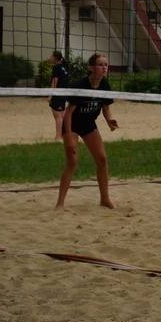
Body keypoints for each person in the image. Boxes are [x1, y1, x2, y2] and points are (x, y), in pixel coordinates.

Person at [56, 52, 120, 208]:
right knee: (72, 161)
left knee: (102, 160)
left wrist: (110, 121)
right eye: (100, 64)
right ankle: (60, 203)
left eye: (106, 64)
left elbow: (106, 108)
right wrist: (69, 136)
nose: (104, 67)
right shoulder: (80, 85)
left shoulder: (104, 84)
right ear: (91, 67)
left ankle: (104, 199)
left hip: (88, 124)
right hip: (72, 124)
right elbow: (68, 113)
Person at [43, 50, 71, 142]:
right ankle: (63, 136)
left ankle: (58, 137)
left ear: (55, 58)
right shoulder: (64, 67)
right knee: (61, 116)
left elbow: (55, 82)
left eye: (51, 56)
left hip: (58, 94)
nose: (50, 57)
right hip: (63, 94)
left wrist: (50, 95)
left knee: (58, 117)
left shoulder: (56, 67)